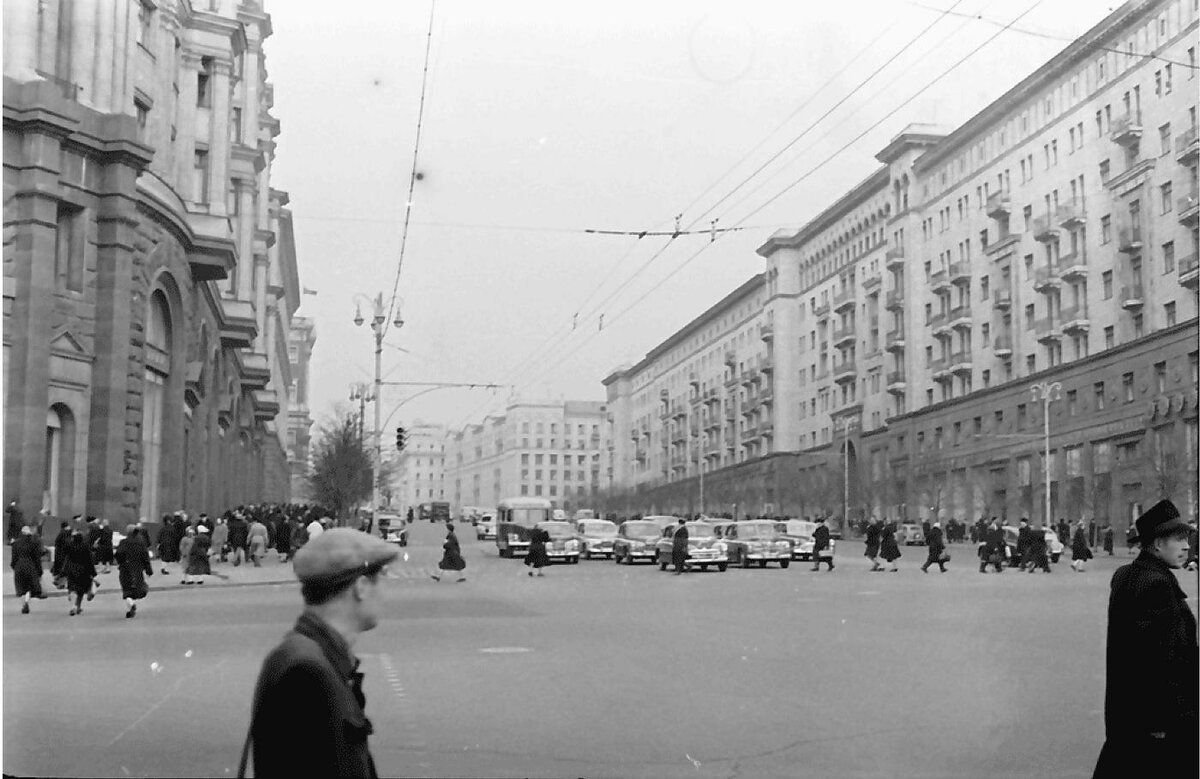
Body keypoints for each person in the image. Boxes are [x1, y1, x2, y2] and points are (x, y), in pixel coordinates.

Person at [243, 528, 396, 779]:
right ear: (361, 587)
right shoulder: (306, 671)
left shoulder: (310, 655)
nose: (387, 591)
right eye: (384, 576)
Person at [1092, 499, 1197, 778]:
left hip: (1128, 717)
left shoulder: (1126, 575)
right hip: (1160, 725)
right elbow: (1166, 662)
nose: (1187, 546)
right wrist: (1161, 725)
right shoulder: (1157, 585)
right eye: (1179, 539)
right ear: (1157, 544)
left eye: (1187, 538)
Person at [114, 523, 153, 619]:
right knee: (138, 588)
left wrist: (121, 562)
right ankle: (132, 603)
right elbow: (145, 557)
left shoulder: (123, 542)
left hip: (125, 569)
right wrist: (148, 570)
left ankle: (130, 604)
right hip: (137, 569)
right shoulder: (140, 543)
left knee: (126, 589)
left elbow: (118, 554)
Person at [61, 529, 97, 616]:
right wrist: (93, 572)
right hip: (83, 571)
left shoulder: (69, 546)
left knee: (72, 589)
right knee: (80, 591)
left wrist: (63, 571)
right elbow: (89, 561)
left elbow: (65, 556)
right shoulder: (85, 547)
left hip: (72, 570)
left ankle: (73, 605)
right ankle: (78, 607)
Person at [11, 525, 46, 613]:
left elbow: (14, 558)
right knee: (29, 587)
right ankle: (26, 601)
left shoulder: (15, 543)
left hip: (19, 566)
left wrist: (14, 566)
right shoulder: (33, 543)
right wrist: (39, 571)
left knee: (21, 588)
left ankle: (24, 604)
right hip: (30, 566)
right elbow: (36, 558)